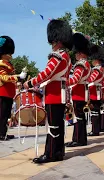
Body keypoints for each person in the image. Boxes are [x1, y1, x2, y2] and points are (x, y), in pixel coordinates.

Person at [23, 20, 73, 163]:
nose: (51, 44)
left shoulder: (57, 55)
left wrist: (30, 82)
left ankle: (50, 153)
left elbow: (47, 73)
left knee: (52, 126)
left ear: (57, 39)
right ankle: (58, 152)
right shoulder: (66, 56)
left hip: (54, 95)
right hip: (61, 94)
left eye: (53, 41)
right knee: (59, 125)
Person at [65, 33, 91, 147]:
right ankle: (79, 139)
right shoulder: (87, 63)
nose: (75, 55)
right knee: (79, 118)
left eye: (76, 53)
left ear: (80, 53)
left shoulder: (80, 64)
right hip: (82, 92)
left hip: (78, 94)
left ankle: (79, 140)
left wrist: (63, 82)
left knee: (78, 118)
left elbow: (75, 79)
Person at [0, 36, 27, 141]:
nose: (10, 55)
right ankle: (1, 134)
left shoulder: (8, 64)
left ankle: (4, 132)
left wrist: (18, 81)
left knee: (6, 114)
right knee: (2, 114)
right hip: (2, 92)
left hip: (8, 93)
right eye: (8, 52)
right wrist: (18, 77)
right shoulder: (1, 63)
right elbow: (3, 77)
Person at [87, 45, 104, 136]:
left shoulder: (97, 70)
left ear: (96, 60)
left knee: (94, 114)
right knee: (96, 113)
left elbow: (90, 79)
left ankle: (95, 131)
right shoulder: (101, 69)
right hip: (98, 93)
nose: (92, 61)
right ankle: (96, 130)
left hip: (94, 93)